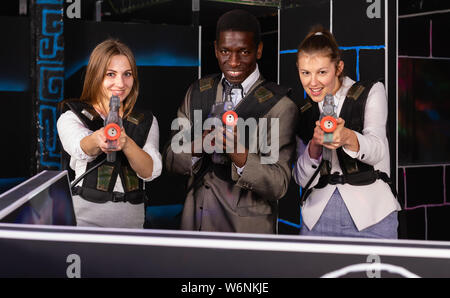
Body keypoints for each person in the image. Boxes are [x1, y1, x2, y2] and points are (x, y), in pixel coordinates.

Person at [164, 9, 298, 234]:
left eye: (244, 51)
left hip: (245, 231)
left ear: (259, 50)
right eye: (225, 51)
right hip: (194, 227)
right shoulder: (197, 92)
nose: (233, 62)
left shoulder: (280, 105)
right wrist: (200, 145)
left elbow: (279, 184)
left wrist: (241, 156)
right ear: (216, 49)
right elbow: (170, 160)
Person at [293, 26, 401, 239]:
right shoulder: (303, 111)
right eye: (305, 73)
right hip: (317, 217)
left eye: (322, 72)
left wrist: (348, 137)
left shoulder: (371, 91)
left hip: (372, 215)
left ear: (339, 67)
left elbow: (378, 149)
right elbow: (301, 178)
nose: (312, 82)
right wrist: (314, 147)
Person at [57, 39, 162, 228]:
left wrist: (126, 143)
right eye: (111, 74)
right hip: (85, 219)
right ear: (96, 75)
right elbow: (79, 146)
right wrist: (98, 139)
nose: (120, 83)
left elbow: (150, 170)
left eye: (127, 74)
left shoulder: (145, 120)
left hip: (132, 222)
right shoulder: (71, 116)